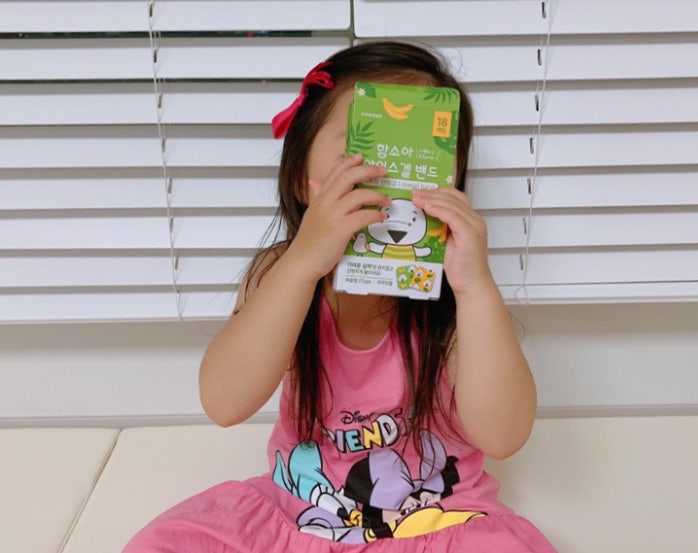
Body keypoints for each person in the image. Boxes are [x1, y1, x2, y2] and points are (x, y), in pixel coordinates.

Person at [123, 40, 557, 552]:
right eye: (364, 148)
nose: (386, 179)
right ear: (301, 181)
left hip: (440, 525)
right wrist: (303, 263)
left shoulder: (456, 295)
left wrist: (475, 288)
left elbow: (505, 436)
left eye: (418, 155)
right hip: (300, 519)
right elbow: (224, 402)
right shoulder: (281, 275)